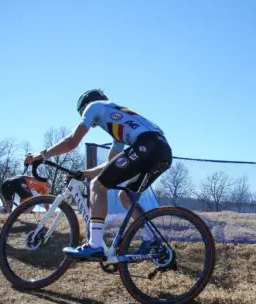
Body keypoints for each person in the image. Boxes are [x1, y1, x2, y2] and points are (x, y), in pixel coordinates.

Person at [24, 89, 171, 259]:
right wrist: (85, 173)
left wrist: (42, 155)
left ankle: (95, 245)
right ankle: (151, 241)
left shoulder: (94, 106)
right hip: (162, 151)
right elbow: (111, 165)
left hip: (147, 145)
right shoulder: (119, 126)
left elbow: (72, 141)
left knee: (97, 185)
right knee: (126, 196)